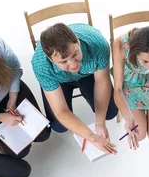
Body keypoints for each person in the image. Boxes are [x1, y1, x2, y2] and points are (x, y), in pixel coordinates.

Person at [31, 23, 118, 155]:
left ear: (77, 41)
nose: (72, 65)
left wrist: (100, 123)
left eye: (75, 54)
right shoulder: (40, 65)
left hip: (87, 74)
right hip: (59, 80)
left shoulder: (99, 45)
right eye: (63, 61)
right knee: (59, 126)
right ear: (50, 58)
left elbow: (101, 81)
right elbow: (61, 111)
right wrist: (92, 137)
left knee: (110, 112)